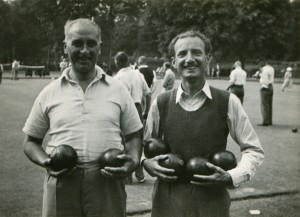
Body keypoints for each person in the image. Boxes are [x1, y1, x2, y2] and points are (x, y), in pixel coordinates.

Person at [22, 18, 143, 217]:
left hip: (107, 181)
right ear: (65, 46)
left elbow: (134, 136)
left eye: (91, 43)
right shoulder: (49, 92)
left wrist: (134, 160)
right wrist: (46, 161)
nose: (85, 50)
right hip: (62, 180)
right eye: (77, 43)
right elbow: (30, 142)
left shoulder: (118, 90)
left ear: (100, 47)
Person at [142, 30, 264, 217]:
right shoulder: (161, 102)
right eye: (182, 54)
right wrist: (145, 162)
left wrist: (231, 176)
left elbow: (253, 150)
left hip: (212, 205)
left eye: (196, 52)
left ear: (208, 58)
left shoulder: (227, 101)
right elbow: (144, 146)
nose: (189, 59)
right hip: (167, 203)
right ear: (174, 61)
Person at [114, 51, 152, 184]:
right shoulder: (138, 74)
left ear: (118, 62)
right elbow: (148, 93)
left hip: (126, 110)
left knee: (126, 141)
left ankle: (128, 174)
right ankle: (139, 172)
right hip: (138, 108)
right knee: (138, 141)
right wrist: (146, 111)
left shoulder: (118, 78)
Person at [258, 58, 274, 126]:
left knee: (264, 105)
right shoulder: (272, 68)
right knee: (269, 105)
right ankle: (269, 120)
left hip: (265, 86)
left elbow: (264, 80)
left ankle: (265, 121)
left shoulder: (263, 69)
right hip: (271, 86)